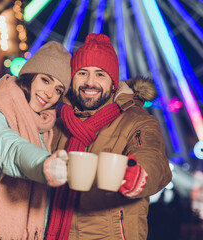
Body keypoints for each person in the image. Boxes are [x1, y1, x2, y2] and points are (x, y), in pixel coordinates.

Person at [44, 33, 172, 240]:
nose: (90, 82)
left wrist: (137, 173)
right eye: (82, 73)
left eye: (100, 74)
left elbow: (153, 158)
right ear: (72, 78)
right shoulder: (56, 122)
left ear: (113, 83)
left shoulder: (137, 121)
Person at [0, 41, 72, 240]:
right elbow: (12, 150)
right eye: (46, 80)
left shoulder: (45, 126)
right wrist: (44, 164)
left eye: (58, 90)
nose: (49, 94)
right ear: (29, 76)